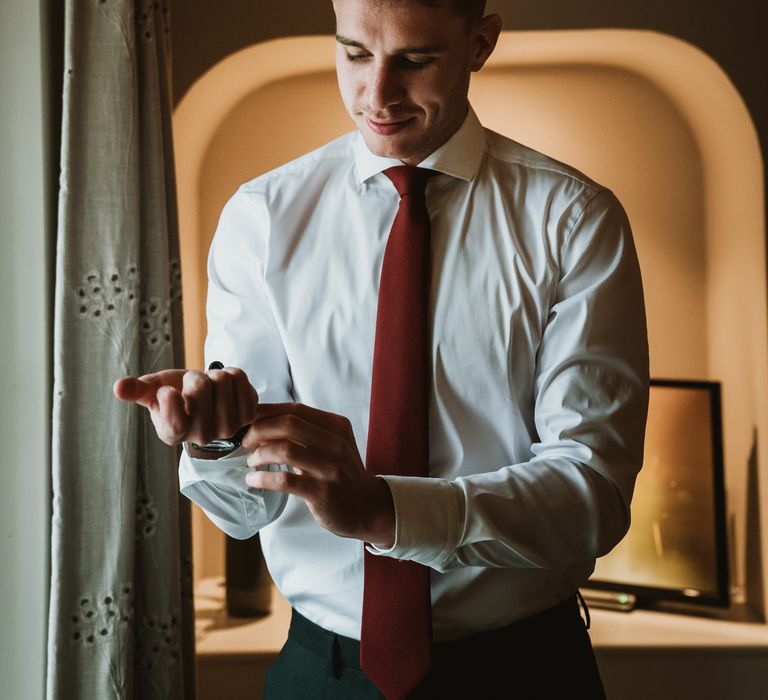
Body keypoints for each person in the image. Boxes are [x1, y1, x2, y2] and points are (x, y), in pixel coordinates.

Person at [115, 0, 649, 697]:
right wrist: (214, 441)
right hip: (323, 673)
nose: (377, 95)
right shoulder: (264, 219)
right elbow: (246, 513)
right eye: (356, 54)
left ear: (480, 42)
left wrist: (383, 512)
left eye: (415, 60)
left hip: (523, 671)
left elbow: (593, 494)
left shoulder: (573, 222)